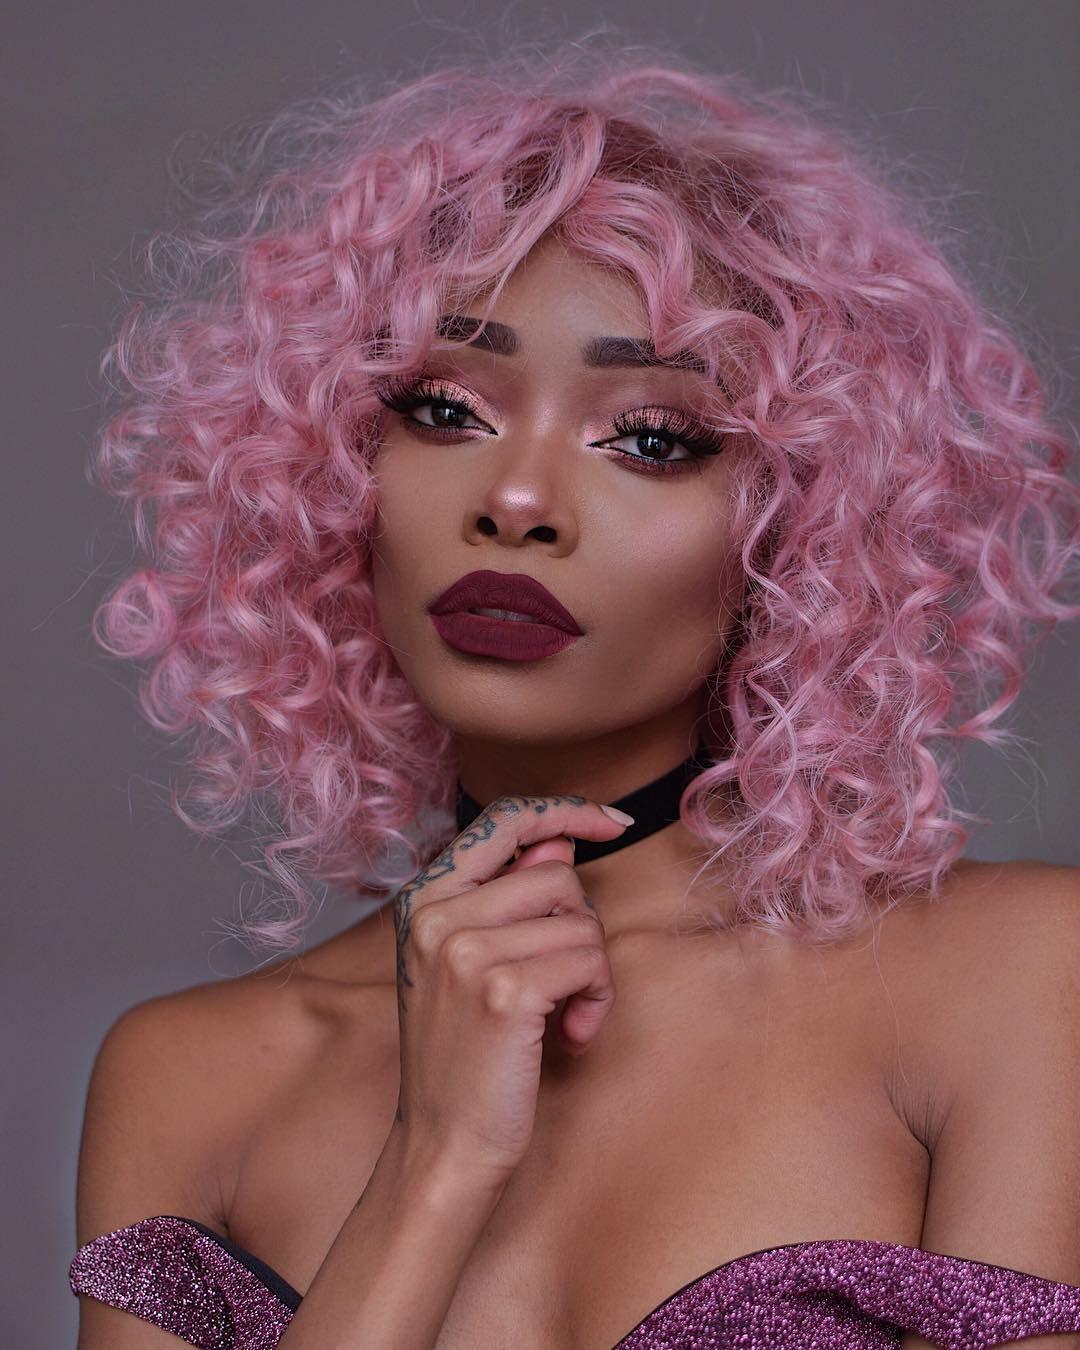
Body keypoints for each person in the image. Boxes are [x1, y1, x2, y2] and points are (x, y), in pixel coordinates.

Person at [68, 38, 1080, 1349]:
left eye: (650, 437)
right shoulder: (189, 1080)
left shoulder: (1019, 979)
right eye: (445, 410)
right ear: (331, 468)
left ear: (799, 528)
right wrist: (434, 1163)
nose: (518, 497)